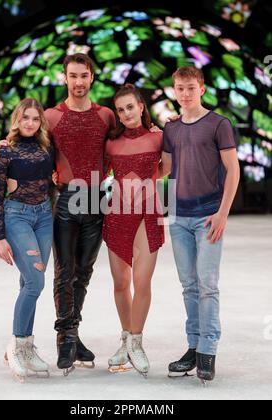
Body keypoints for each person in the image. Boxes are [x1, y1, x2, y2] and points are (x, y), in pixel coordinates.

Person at [160, 66, 240, 383]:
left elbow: (233, 171)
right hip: (178, 217)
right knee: (189, 286)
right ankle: (193, 347)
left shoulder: (219, 124)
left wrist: (222, 213)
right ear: (174, 90)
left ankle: (208, 350)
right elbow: (162, 170)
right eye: (179, 88)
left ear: (202, 89)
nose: (185, 93)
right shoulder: (171, 129)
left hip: (208, 215)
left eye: (191, 87)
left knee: (208, 286)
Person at [44, 53, 116, 375]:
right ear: (64, 78)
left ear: (92, 78)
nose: (78, 82)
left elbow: (120, 146)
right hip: (66, 201)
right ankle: (66, 337)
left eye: (84, 75)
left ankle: (71, 334)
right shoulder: (51, 117)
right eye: (73, 76)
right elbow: (36, 152)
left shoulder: (106, 116)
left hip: (97, 200)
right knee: (64, 271)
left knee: (83, 272)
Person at [103, 84, 164, 377]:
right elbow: (97, 170)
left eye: (130, 106)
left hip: (147, 214)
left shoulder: (159, 138)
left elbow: (167, 168)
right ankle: (125, 339)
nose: (126, 113)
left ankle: (137, 342)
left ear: (141, 106)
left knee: (142, 281)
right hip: (117, 214)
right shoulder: (111, 144)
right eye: (121, 109)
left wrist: (146, 181)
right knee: (119, 283)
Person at [0, 98, 54, 382]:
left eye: (35, 119)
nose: (30, 123)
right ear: (17, 120)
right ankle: (16, 346)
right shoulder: (4, 152)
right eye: (25, 118)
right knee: (36, 282)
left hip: (44, 216)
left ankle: (27, 347)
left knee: (28, 282)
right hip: (16, 216)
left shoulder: (45, 147)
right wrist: (0, 238)